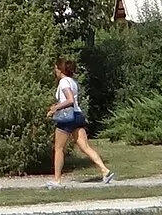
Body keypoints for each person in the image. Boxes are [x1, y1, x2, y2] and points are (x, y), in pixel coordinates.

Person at [47, 57, 113, 186]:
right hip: (77, 115)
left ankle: (57, 180)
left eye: (56, 68)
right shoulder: (72, 82)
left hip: (67, 117)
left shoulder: (64, 82)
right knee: (85, 146)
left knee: (59, 148)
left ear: (61, 70)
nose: (55, 71)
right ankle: (104, 170)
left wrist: (55, 108)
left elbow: (70, 100)